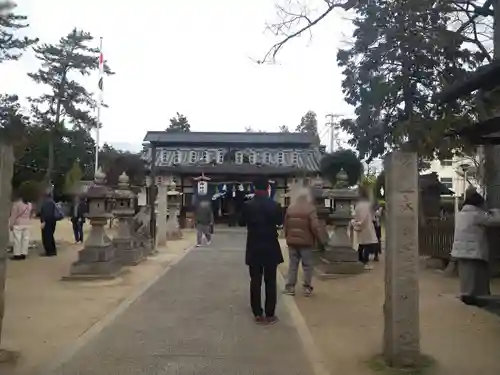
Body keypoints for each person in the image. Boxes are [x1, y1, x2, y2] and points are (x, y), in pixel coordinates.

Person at [240, 177, 283, 325]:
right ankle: (270, 314)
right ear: (267, 188)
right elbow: (280, 222)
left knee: (255, 280)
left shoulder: (247, 205)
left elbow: (241, 222)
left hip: (254, 246)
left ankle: (257, 313)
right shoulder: (275, 205)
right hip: (271, 245)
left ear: (253, 188)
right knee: (271, 281)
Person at [451, 188, 500, 306]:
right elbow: (496, 220)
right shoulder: (476, 214)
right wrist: (495, 211)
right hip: (472, 251)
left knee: (466, 277)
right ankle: (473, 298)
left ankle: (467, 296)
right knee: (475, 276)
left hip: (460, 250)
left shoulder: (462, 214)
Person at [283, 188, 328, 296]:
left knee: (293, 265)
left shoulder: (290, 208)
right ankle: (306, 287)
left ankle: (290, 287)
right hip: (306, 242)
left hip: (292, 241)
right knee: (307, 265)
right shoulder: (310, 209)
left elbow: (286, 225)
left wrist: (287, 237)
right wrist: (320, 239)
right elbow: (315, 227)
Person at [351, 187, 378, 270]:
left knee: (362, 244)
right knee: (368, 244)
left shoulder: (358, 205)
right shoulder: (368, 204)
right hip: (367, 225)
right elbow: (368, 215)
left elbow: (355, 215)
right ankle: (364, 262)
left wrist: (357, 224)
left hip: (360, 225)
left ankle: (360, 259)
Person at [9, 193, 33, 261]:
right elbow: (31, 214)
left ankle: (17, 254)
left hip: (18, 223)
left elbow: (13, 215)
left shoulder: (17, 204)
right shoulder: (30, 205)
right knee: (25, 239)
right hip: (27, 223)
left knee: (17, 240)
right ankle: (24, 253)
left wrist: (11, 224)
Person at [39, 189, 63, 257]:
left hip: (47, 221)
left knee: (46, 237)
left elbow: (45, 213)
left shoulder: (46, 202)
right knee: (51, 236)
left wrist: (43, 221)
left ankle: (49, 251)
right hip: (53, 220)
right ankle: (53, 250)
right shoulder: (52, 202)